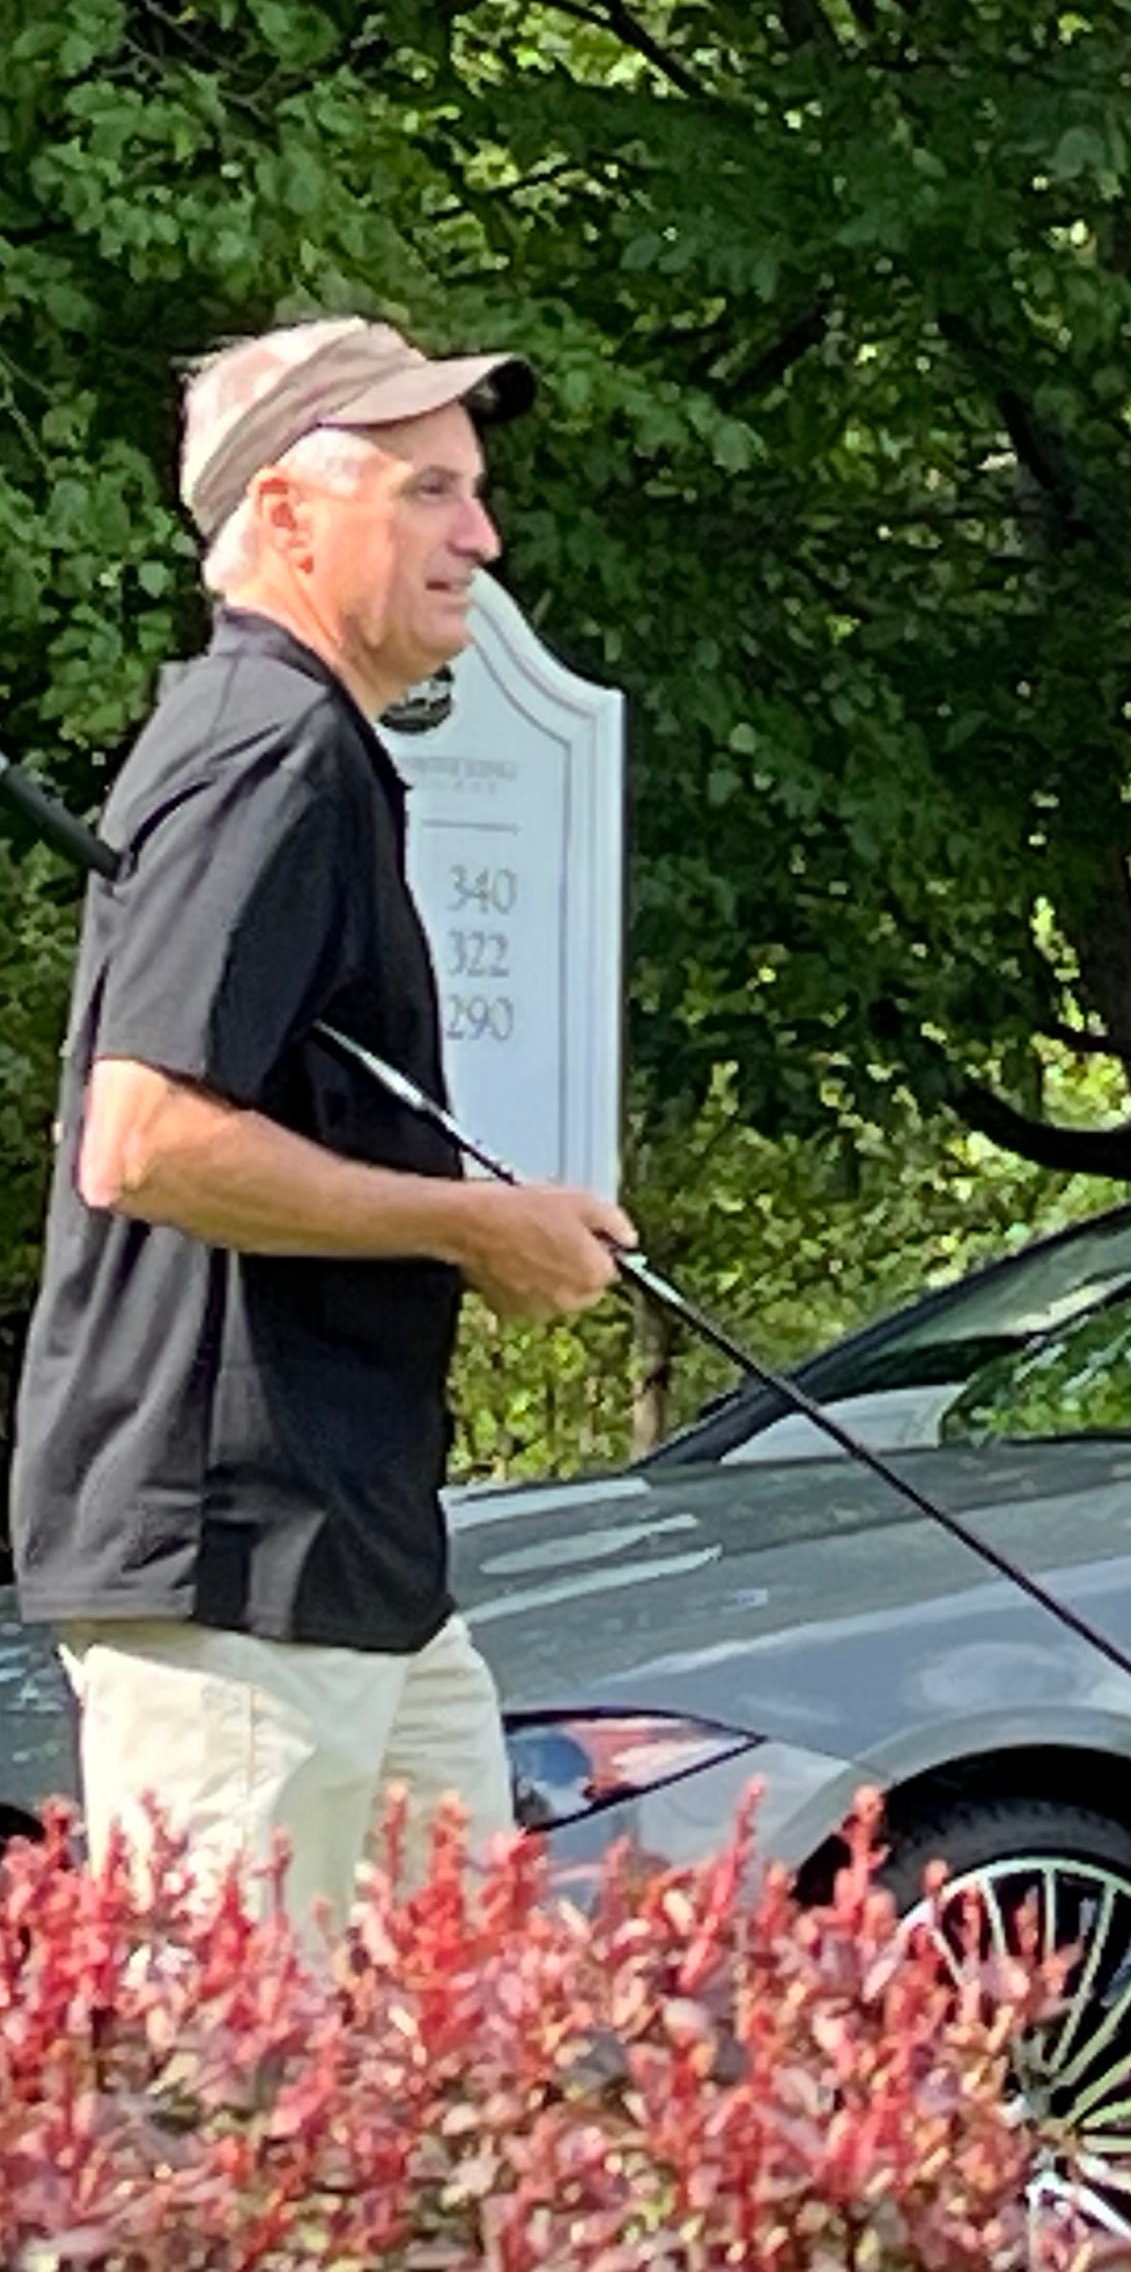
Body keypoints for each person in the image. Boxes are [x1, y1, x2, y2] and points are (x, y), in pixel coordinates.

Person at [9, 318, 637, 1925]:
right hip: (231, 1565)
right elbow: (144, 1139)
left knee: (460, 2065)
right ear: (290, 515)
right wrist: (469, 1221)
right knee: (234, 2119)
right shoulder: (264, 749)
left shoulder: (312, 748)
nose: (481, 539)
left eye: (476, 494)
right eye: (430, 493)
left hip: (351, 1556)